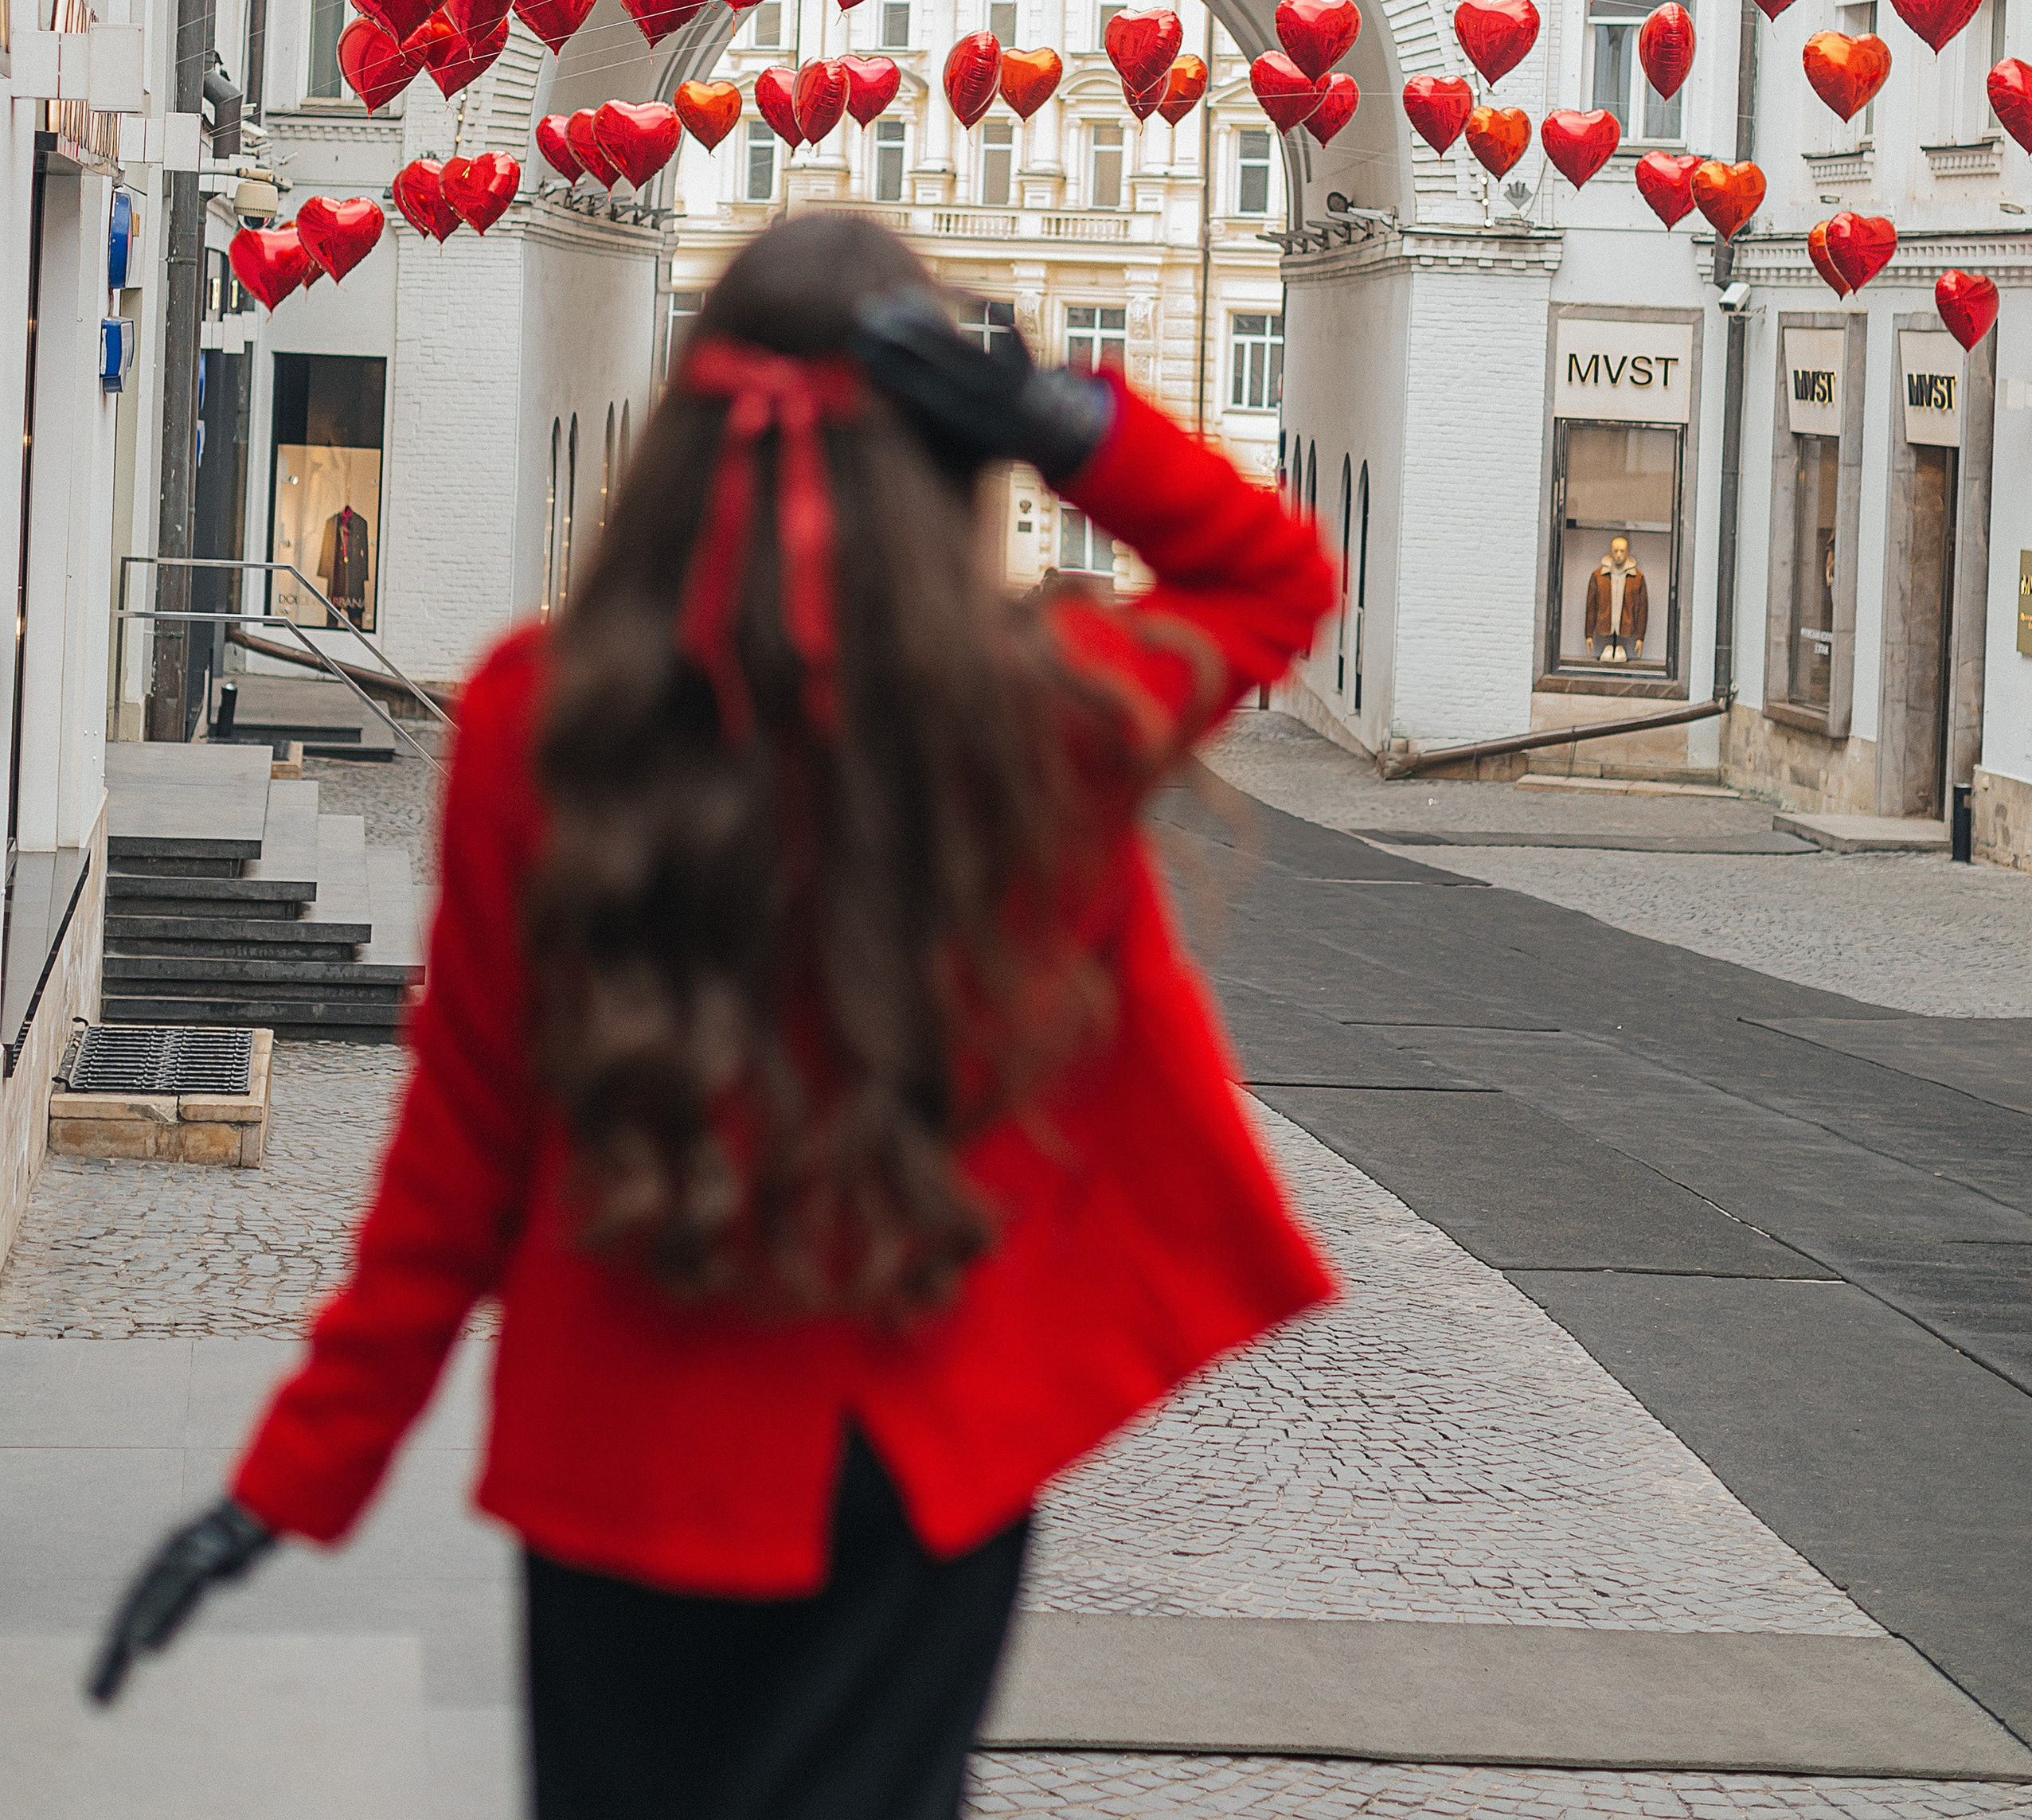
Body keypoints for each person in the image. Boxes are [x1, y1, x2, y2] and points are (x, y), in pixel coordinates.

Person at [92, 213, 1337, 1817]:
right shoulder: (1024, 710)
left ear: (681, 433)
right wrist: (1053, 417)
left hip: (620, 1460)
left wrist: (286, 1485)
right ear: (934, 454)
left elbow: (456, 1167)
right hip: (912, 1455)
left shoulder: (539, 720)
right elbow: (1274, 577)